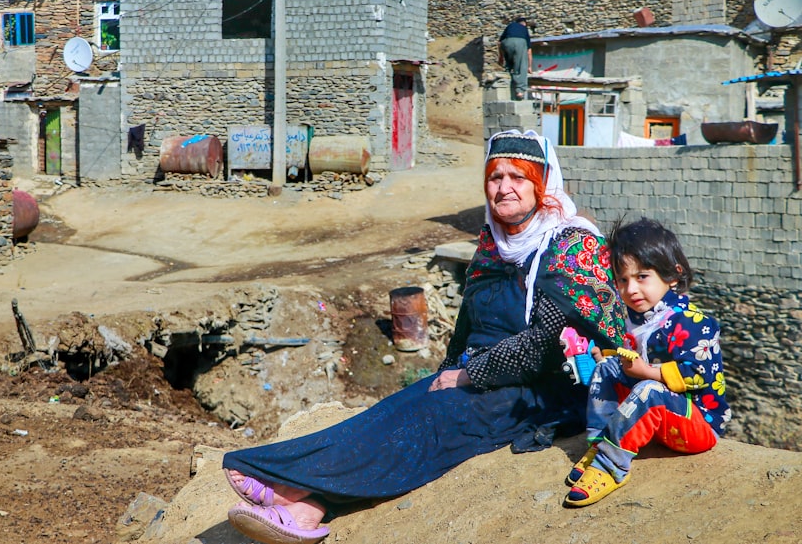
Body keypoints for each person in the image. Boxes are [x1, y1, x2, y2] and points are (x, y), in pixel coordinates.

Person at [219, 129, 628, 544]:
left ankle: (286, 484)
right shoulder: (494, 243)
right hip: (488, 373)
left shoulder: (572, 246)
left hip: (545, 390)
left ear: (542, 183)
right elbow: (468, 323)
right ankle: (306, 508)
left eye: (518, 177)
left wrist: (469, 376)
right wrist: (449, 370)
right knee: (402, 405)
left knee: (435, 418)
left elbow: (544, 342)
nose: (504, 188)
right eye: (494, 177)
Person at [562, 218, 730, 507]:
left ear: (672, 276)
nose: (631, 290)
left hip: (698, 423)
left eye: (642, 277)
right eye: (623, 280)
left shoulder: (692, 323)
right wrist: (609, 359)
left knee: (649, 388)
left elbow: (698, 374)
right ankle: (600, 444)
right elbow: (632, 360)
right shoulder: (639, 319)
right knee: (606, 368)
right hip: (661, 413)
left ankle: (610, 467)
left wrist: (647, 372)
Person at [497, 16, 532, 100]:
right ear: (524, 23)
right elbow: (529, 52)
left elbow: (499, 43)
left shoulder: (510, 26)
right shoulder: (524, 29)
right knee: (521, 66)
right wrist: (529, 66)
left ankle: (508, 71)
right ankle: (520, 91)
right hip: (519, 42)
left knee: (510, 61)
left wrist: (501, 57)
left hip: (506, 43)